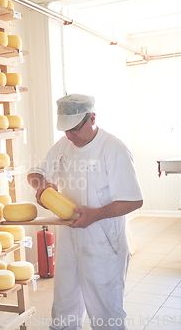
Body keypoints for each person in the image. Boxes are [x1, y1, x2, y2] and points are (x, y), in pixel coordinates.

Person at [27, 94, 143, 330]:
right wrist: (41, 186)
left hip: (103, 240)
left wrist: (97, 214)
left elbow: (134, 201)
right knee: (65, 302)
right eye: (65, 130)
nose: (70, 136)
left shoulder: (113, 149)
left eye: (74, 129)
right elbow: (36, 172)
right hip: (70, 237)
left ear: (92, 118)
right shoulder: (64, 144)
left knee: (104, 308)